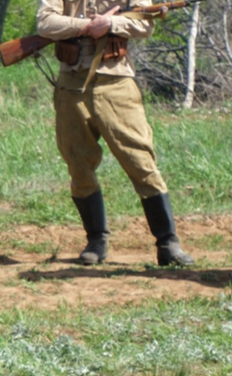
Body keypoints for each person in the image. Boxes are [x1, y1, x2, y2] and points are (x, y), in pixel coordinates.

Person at [37, 0, 194, 267]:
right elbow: (44, 23)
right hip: (72, 85)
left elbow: (145, 23)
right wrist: (88, 26)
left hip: (117, 81)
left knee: (140, 161)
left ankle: (168, 242)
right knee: (78, 163)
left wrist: (111, 23)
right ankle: (96, 241)